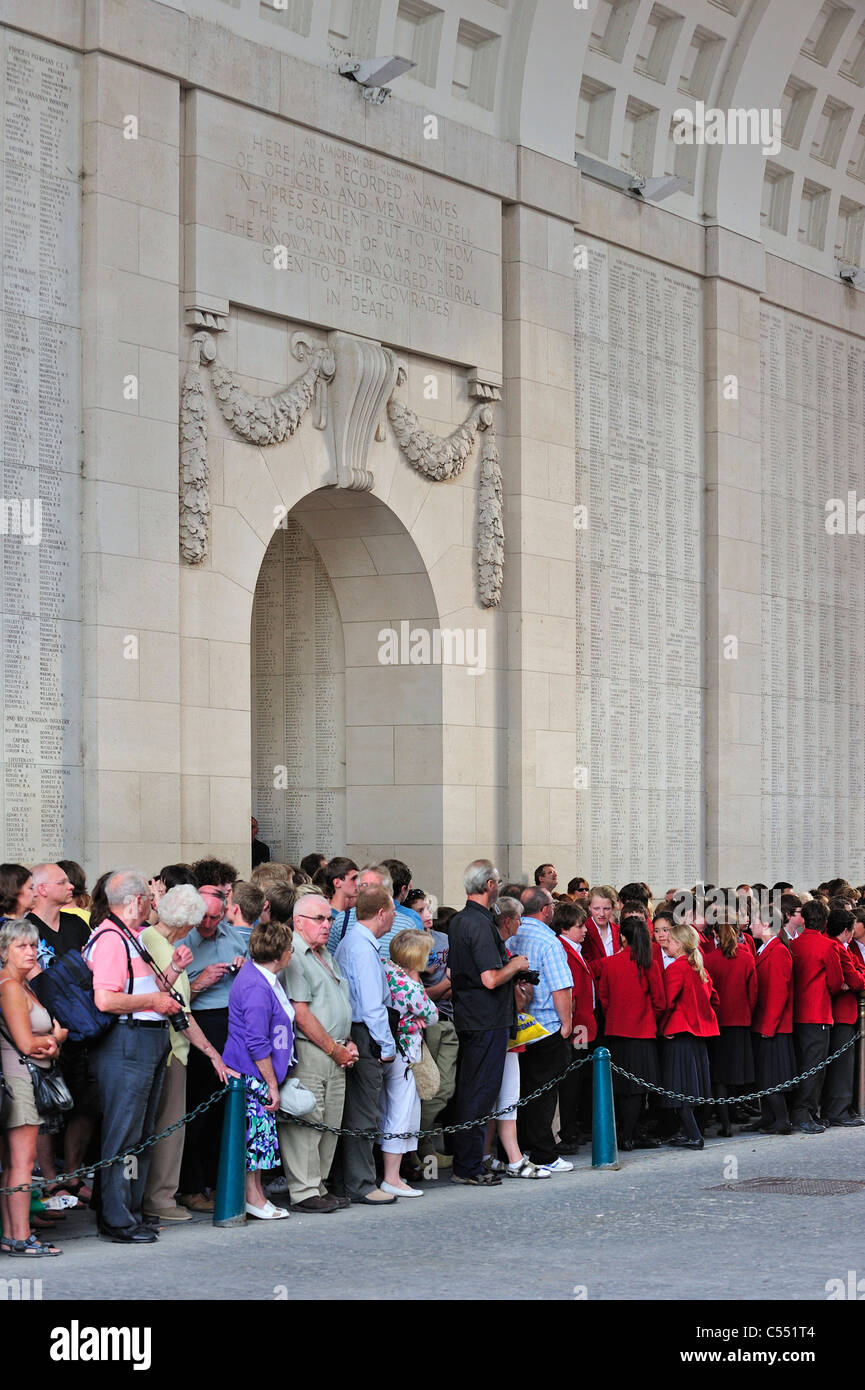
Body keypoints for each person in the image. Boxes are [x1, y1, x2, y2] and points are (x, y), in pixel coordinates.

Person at [84, 871, 182, 1243]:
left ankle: (129, 1211)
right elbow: (105, 999)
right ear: (136, 901)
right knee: (124, 1135)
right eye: (149, 896)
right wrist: (154, 1002)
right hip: (127, 1042)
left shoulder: (130, 937)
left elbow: (144, 987)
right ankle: (117, 1217)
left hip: (144, 1040)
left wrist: (172, 973)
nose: (153, 902)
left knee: (139, 1136)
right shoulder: (112, 939)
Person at [141, 885, 233, 1223]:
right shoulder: (153, 942)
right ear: (185, 922)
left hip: (175, 1049)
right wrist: (212, 1053)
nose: (197, 929)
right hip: (163, 1050)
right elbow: (171, 1005)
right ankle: (158, 1199)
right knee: (166, 1129)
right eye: (196, 922)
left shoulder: (166, 944)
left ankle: (159, 1197)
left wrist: (211, 1053)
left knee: (171, 1128)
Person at [448, 860, 528, 1187]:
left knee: (472, 1090)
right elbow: (490, 978)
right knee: (479, 1092)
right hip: (485, 1019)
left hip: (471, 1015)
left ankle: (468, 1161)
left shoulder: (458, 919)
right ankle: (468, 1166)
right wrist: (516, 965)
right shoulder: (480, 924)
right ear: (490, 885)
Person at [277, 893, 356, 1213]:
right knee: (307, 1121)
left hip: (335, 1048)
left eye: (329, 919)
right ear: (298, 922)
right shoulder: (294, 954)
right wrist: (335, 1048)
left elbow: (336, 1002)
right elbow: (302, 1013)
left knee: (330, 1122)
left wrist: (347, 1042)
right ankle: (304, 1189)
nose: (327, 925)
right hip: (312, 1049)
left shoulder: (324, 953)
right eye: (319, 919)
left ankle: (319, 1184)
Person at [177, 885, 248, 1211]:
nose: (208, 924)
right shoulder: (179, 940)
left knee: (225, 1110)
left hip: (232, 1025)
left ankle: (219, 1183)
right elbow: (170, 999)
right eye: (203, 917)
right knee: (198, 1109)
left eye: (215, 917)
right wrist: (198, 983)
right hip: (197, 1025)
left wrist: (244, 969)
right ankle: (191, 1187)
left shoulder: (233, 937)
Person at [0, 919, 67, 1256]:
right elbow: (27, 1044)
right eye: (20, 946)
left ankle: (14, 1234)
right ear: (4, 952)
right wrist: (55, 1038)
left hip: (21, 1078)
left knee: (16, 1163)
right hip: (20, 1079)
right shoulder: (10, 985)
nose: (30, 952)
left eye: (32, 945)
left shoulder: (20, 983)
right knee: (22, 1163)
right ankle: (20, 1237)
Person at [223, 921, 296, 1219]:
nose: (293, 952)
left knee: (258, 1137)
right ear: (279, 954)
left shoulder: (264, 976)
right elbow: (256, 1041)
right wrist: (272, 1084)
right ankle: (253, 1197)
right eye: (290, 948)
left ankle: (256, 1195)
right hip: (251, 1071)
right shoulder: (255, 985)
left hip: (257, 1070)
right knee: (254, 1140)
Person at [332, 886, 399, 1205]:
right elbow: (372, 1005)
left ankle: (350, 1180)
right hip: (367, 1033)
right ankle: (360, 1182)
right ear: (382, 913)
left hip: (359, 1030)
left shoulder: (355, 943)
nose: (395, 916)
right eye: (393, 911)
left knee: (357, 1109)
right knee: (364, 1111)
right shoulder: (362, 947)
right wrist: (387, 1046)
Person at [483, 898, 549, 1178]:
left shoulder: (494, 945)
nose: (521, 924)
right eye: (519, 919)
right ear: (508, 921)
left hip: (493, 1030)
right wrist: (516, 970)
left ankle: (486, 1154)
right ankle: (514, 1159)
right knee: (508, 1097)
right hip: (503, 1031)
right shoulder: (501, 951)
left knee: (490, 1098)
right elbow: (495, 984)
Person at [510, 888, 574, 1173]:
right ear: (546, 910)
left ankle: (519, 1147)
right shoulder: (550, 941)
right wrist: (567, 1023)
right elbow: (561, 987)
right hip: (546, 1027)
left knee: (520, 1091)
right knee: (544, 1094)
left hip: (519, 1026)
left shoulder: (513, 933)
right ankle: (544, 1153)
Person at [379, 930, 438, 1197]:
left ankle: (391, 1174)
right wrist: (416, 1018)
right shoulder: (411, 985)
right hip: (406, 1054)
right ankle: (392, 1177)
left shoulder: (385, 969)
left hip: (388, 1047)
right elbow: (432, 1014)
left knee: (386, 1110)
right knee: (401, 1113)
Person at [598, 915, 665, 1150]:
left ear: (622, 937)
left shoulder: (608, 964)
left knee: (622, 1087)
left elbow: (604, 999)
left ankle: (627, 1132)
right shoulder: (649, 964)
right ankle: (629, 1134)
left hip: (616, 1032)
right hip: (642, 1033)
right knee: (638, 1088)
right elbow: (660, 1003)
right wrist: (647, 1019)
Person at [409, 892, 458, 1173]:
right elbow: (415, 994)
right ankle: (413, 1148)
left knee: (444, 1088)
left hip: (447, 1017)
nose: (427, 914)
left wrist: (441, 987)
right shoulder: (408, 942)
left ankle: (419, 1145)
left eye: (429, 908)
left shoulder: (445, 941)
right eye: (419, 909)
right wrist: (442, 986)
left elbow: (455, 980)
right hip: (424, 1023)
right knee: (425, 1088)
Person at [659, 921, 719, 1150]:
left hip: (679, 1032)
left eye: (671, 940)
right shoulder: (698, 967)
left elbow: (667, 1003)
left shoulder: (676, 968)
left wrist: (663, 1029)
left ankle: (693, 1135)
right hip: (698, 1034)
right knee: (694, 1087)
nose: (667, 943)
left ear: (680, 944)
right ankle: (689, 1132)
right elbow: (714, 1000)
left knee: (679, 1087)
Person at [790, 898, 845, 1134]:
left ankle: (806, 1111)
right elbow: (835, 982)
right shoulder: (827, 946)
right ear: (824, 921)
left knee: (802, 1064)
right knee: (814, 1066)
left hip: (797, 1012)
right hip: (818, 1012)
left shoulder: (794, 944)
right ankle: (805, 1112)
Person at [704, 916, 757, 1136]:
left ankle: (725, 1123)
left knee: (719, 1075)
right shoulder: (746, 958)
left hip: (717, 1022)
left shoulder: (708, 959)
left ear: (714, 934)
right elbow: (753, 993)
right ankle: (734, 1114)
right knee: (736, 1072)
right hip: (740, 1020)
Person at [552, 900, 594, 1150]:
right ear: (566, 928)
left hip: (584, 1024)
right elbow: (570, 993)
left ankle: (572, 1126)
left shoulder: (574, 948)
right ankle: (567, 1130)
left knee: (578, 1080)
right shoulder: (564, 951)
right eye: (580, 925)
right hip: (577, 1025)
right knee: (570, 1081)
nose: (586, 929)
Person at [821, 909, 865, 1128]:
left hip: (833, 1013)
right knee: (842, 1067)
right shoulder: (839, 948)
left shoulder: (832, 944)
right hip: (843, 1013)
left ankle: (835, 1108)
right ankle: (839, 1110)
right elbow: (857, 982)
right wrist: (854, 979)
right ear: (846, 930)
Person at [323, 857, 360, 955]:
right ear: (337, 882)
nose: (358, 883)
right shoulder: (324, 917)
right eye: (353, 878)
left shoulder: (353, 914)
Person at [582, 886, 621, 977]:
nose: (602, 914)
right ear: (589, 907)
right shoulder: (583, 932)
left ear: (613, 908)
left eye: (606, 909)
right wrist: (614, 960)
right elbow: (586, 967)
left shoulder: (619, 931)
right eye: (596, 908)